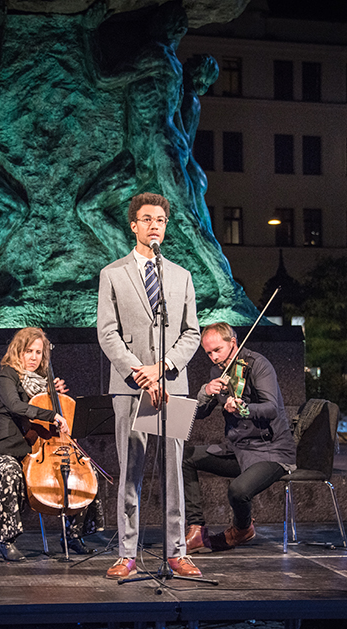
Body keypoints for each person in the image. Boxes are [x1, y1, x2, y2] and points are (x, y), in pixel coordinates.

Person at [96, 192, 202, 579]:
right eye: (146, 219)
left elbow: (192, 333)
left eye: (160, 219)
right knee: (131, 470)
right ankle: (126, 552)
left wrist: (163, 366)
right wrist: (139, 370)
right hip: (129, 385)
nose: (154, 225)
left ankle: (176, 551)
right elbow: (107, 333)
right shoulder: (112, 273)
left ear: (165, 226)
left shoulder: (181, 275)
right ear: (134, 225)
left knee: (175, 468)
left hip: (173, 382)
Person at [0, 327, 100, 561]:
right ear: (17, 352)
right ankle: (7, 540)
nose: (34, 357)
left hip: (36, 453)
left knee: (86, 473)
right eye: (28, 351)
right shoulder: (6, 377)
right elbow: (17, 406)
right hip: (5, 453)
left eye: (39, 352)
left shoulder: (44, 383)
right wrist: (52, 414)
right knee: (10, 473)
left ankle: (73, 535)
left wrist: (53, 396)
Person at [183, 323, 296, 553]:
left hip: (271, 451)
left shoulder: (258, 365)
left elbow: (271, 409)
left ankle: (242, 529)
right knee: (185, 457)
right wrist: (206, 391)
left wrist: (244, 408)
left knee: (238, 490)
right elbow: (201, 413)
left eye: (218, 350)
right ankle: (196, 529)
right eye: (209, 353)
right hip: (238, 449)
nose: (214, 357)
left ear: (233, 343)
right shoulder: (219, 372)